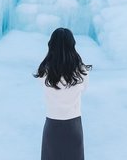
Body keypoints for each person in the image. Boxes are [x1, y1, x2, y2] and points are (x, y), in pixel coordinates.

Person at [34, 27, 92, 160]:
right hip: (74, 125)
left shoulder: (44, 71)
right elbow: (84, 89)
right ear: (72, 45)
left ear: (51, 45)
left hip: (52, 125)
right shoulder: (82, 71)